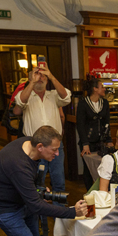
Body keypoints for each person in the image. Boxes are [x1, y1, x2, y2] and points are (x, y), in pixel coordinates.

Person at [0, 126, 87, 236]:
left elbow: (28, 186)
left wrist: (36, 189)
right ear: (40, 147)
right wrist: (72, 212)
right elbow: (36, 206)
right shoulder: (18, 164)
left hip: (21, 203)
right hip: (4, 210)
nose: (57, 153)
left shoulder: (28, 144)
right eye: (54, 149)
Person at [15, 62, 71, 195]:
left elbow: (66, 97)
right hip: (35, 146)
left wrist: (51, 76)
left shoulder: (53, 95)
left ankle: (60, 213)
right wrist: (32, 83)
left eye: (43, 76)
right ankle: (39, 212)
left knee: (58, 179)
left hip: (56, 145)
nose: (40, 78)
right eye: (36, 75)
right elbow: (20, 103)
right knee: (37, 181)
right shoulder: (25, 95)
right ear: (30, 79)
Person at [77, 78, 113, 187]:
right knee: (88, 169)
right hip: (88, 143)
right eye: (102, 87)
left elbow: (107, 123)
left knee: (104, 166)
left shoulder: (105, 103)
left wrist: (109, 140)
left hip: (101, 142)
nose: (104, 89)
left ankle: (102, 191)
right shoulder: (83, 103)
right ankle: (89, 193)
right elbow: (80, 125)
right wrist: (85, 144)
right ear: (95, 89)